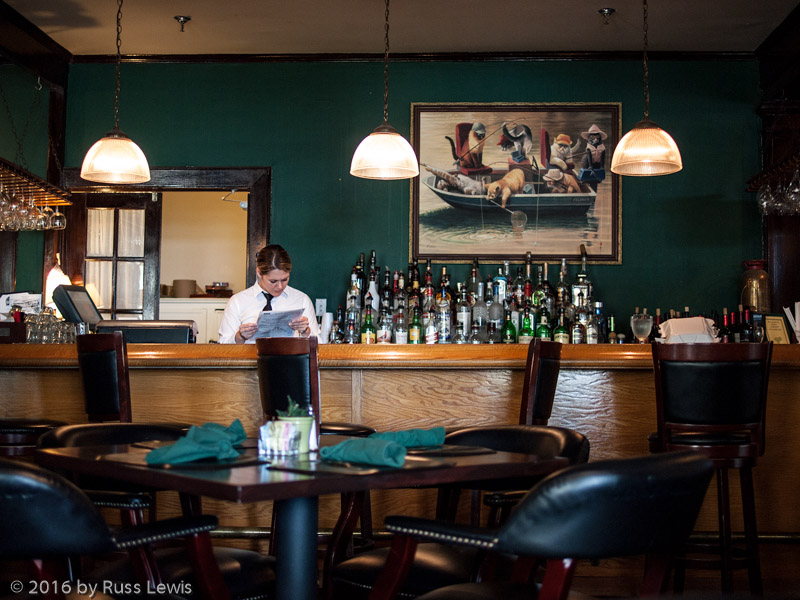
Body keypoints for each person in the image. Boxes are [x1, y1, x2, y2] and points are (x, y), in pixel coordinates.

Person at [218, 244, 320, 344]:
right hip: (250, 355)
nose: (280, 286)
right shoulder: (237, 301)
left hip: (291, 355)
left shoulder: (302, 300)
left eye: (284, 280)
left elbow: (320, 344)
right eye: (273, 281)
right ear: (259, 273)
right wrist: (240, 336)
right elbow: (223, 346)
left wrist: (306, 331)